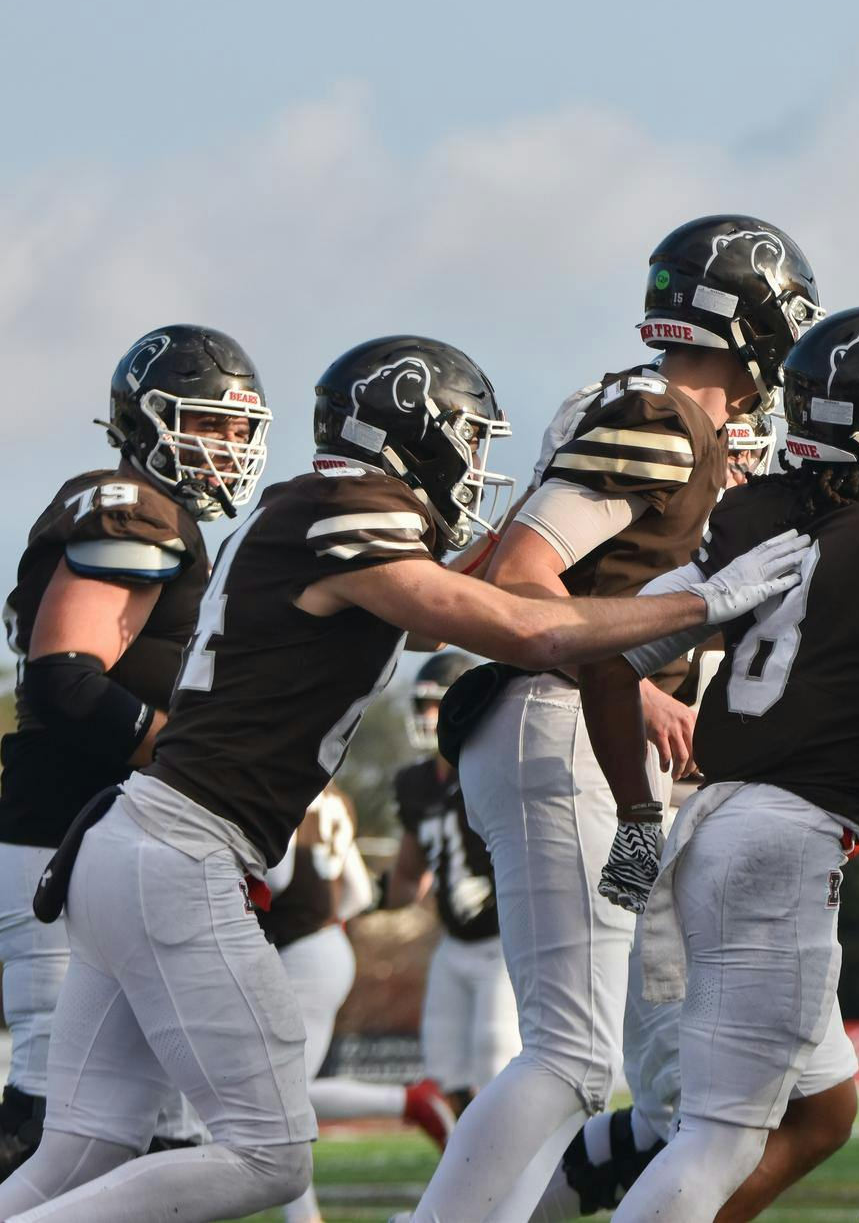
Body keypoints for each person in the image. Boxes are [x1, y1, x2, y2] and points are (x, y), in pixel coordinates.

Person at [0, 334, 813, 1223]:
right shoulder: (351, 512)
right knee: (270, 1154)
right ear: (413, 431)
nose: (473, 465)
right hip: (180, 851)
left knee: (82, 1145)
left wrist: (540, 506)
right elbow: (528, 629)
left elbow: (434, 616)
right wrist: (702, 601)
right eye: (466, 440)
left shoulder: (304, 506)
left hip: (128, 841)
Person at [408, 216, 825, 1223]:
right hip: (561, 722)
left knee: (602, 1050)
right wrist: (635, 685)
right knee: (569, 1054)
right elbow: (522, 577)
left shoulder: (653, 414)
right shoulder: (657, 415)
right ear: (758, 322)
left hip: (594, 748)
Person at [586, 305, 859, 1223]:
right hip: (785, 842)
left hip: (708, 823)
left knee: (824, 1110)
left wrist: (636, 814)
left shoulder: (758, 510)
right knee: (717, 1133)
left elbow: (608, 658)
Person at [0, 324, 270, 1178]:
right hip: (66, 832)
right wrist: (192, 763)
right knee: (56, 1113)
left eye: (238, 428)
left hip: (106, 840)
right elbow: (66, 680)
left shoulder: (161, 517)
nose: (228, 445)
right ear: (146, 419)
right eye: (207, 422)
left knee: (158, 1124)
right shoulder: (133, 508)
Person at [260, 787, 458, 1223]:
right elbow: (357, 892)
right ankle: (410, 1102)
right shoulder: (331, 796)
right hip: (324, 945)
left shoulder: (279, 779)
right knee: (278, 1094)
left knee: (278, 1100)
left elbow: (276, 877)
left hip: (300, 951)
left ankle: (409, 1103)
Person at [384, 650, 521, 1114]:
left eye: (435, 704)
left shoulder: (494, 768)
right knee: (444, 1068)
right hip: (453, 942)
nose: (426, 716)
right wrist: (364, 900)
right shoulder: (415, 783)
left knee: (497, 1053)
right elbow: (408, 874)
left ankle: (520, 1156)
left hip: (504, 938)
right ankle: (470, 1153)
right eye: (421, 705)